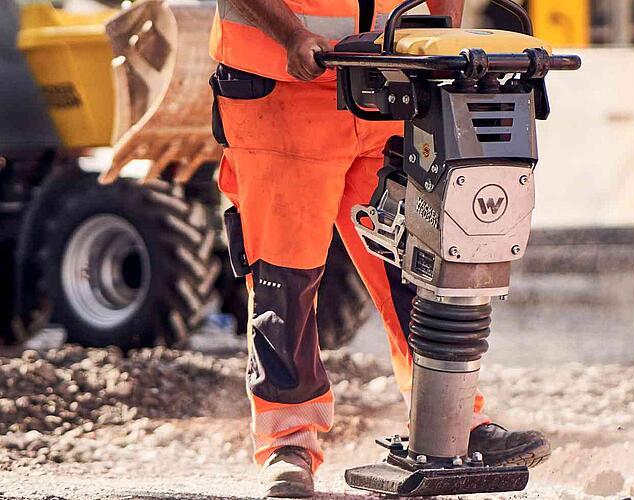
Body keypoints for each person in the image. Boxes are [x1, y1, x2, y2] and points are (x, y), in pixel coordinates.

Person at [207, 0, 550, 496]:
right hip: (283, 87)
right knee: (286, 278)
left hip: (387, 82)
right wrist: (289, 34)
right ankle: (288, 444)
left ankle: (452, 422)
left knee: (424, 262)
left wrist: (445, 28)